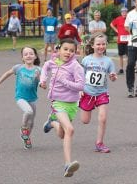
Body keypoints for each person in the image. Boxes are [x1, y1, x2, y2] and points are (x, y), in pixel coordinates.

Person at [40, 38, 84, 177]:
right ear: (59, 49)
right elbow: (45, 67)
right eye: (65, 49)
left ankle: (51, 123)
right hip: (57, 102)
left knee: (62, 134)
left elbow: (80, 86)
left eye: (72, 50)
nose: (68, 53)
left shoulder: (76, 67)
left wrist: (64, 81)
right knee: (70, 130)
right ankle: (67, 165)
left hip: (71, 104)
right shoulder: (52, 62)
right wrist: (42, 80)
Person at [0, 47, 41, 149]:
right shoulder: (18, 68)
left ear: (35, 56)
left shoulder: (39, 70)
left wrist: (39, 78)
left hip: (32, 98)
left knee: (31, 123)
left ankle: (26, 138)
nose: (28, 56)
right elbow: (6, 74)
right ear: (22, 58)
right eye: (25, 54)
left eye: (31, 53)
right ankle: (23, 129)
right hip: (20, 97)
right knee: (28, 112)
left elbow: (43, 85)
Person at [79, 32, 117, 153]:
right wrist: (80, 89)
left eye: (103, 44)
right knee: (85, 121)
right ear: (93, 45)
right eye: (98, 44)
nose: (101, 46)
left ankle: (99, 143)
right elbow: (80, 76)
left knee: (103, 118)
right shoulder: (86, 60)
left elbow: (113, 76)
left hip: (102, 93)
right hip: (87, 93)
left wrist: (112, 76)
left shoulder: (108, 61)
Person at [110, 7, 130, 75]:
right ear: (121, 13)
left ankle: (128, 69)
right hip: (120, 40)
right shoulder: (118, 19)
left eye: (125, 12)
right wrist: (116, 30)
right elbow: (111, 24)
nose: (124, 13)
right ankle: (121, 69)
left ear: (127, 13)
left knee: (128, 55)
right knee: (121, 55)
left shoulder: (129, 19)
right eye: (123, 12)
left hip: (128, 40)